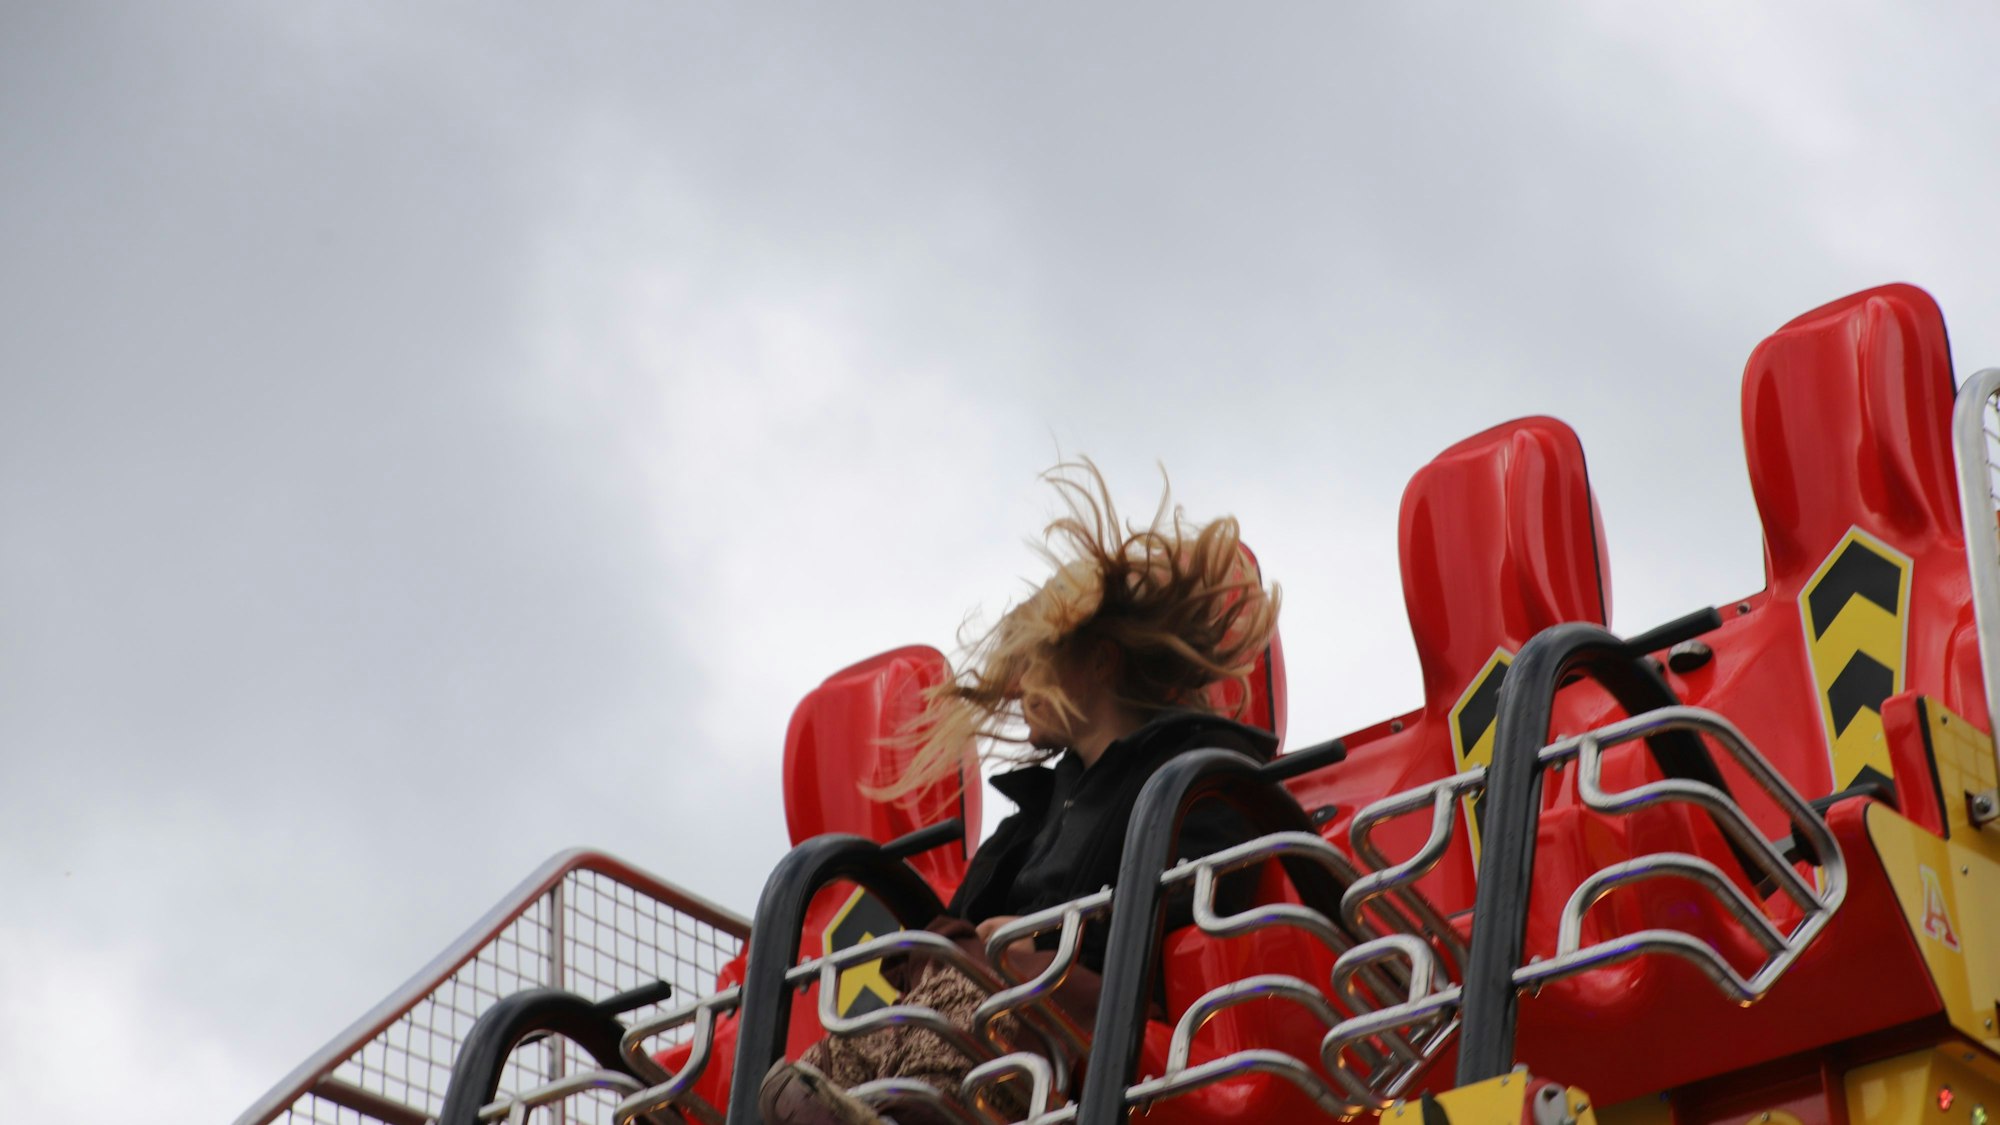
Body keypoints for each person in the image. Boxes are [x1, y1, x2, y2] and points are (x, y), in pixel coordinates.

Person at [759, 460, 1281, 1125]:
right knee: (833, 1054)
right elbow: (950, 935)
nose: (1015, 688)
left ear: (1098, 662)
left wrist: (1051, 944)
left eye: (1033, 661)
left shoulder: (1201, 773)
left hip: (1095, 1014)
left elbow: (1203, 895)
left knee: (976, 983)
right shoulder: (1029, 822)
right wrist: (966, 942)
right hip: (1000, 1000)